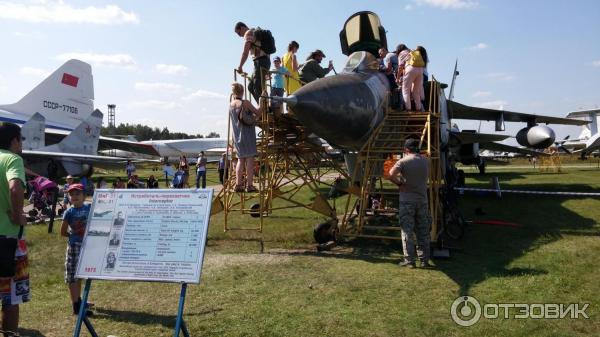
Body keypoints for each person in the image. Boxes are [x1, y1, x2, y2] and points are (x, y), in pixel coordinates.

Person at [0, 122, 29, 335]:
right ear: (14, 140)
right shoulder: (13, 159)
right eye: (22, 139)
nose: (22, 144)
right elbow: (15, 187)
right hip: (10, 239)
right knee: (10, 298)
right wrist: (18, 215)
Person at [388, 139, 432, 268]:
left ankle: (410, 261)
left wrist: (400, 184)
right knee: (423, 232)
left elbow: (390, 175)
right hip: (422, 200)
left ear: (406, 150)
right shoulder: (426, 160)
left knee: (407, 231)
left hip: (407, 201)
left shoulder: (403, 161)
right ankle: (424, 260)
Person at [60, 183, 93, 316]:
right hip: (74, 247)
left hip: (87, 246)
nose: (74, 196)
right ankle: (76, 306)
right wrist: (74, 236)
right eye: (71, 194)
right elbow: (62, 232)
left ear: (84, 196)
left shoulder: (89, 207)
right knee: (73, 276)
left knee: (80, 276)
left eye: (77, 193)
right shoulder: (69, 212)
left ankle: (79, 301)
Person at [229, 83, 262, 192]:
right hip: (247, 135)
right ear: (242, 92)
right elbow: (258, 113)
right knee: (250, 160)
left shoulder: (231, 105)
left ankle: (238, 185)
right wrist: (262, 102)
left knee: (240, 160)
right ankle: (249, 185)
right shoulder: (245, 103)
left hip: (236, 136)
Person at [234, 22, 271, 103]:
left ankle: (265, 110)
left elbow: (245, 52)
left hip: (261, 62)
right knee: (251, 86)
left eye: (238, 33)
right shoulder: (255, 32)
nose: (239, 35)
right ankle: (263, 108)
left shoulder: (248, 33)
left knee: (257, 87)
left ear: (242, 28)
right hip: (263, 61)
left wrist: (240, 66)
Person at [402, 46, 428, 111]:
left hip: (411, 71)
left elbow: (403, 64)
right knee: (416, 92)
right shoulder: (424, 57)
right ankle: (418, 108)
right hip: (421, 73)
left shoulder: (412, 54)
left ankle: (408, 109)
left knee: (405, 90)